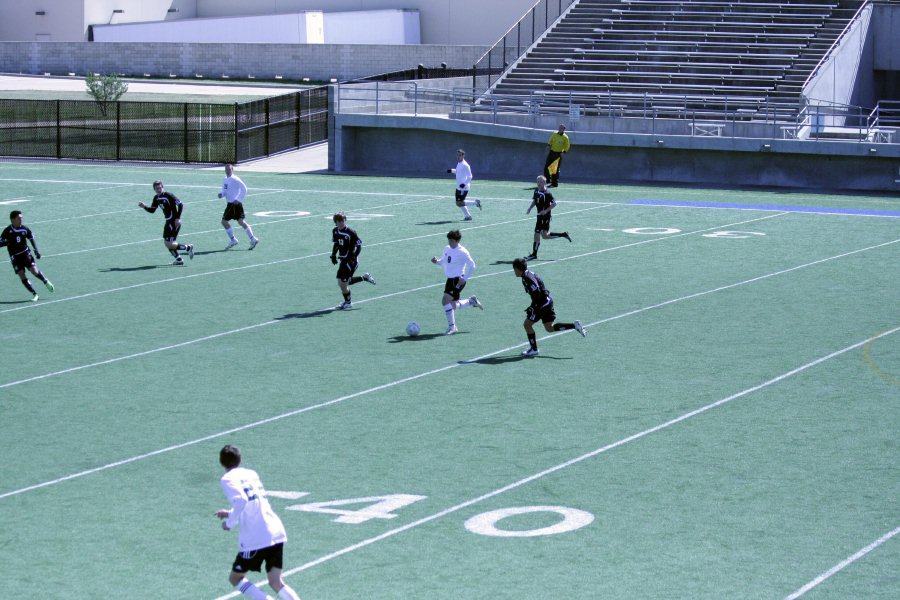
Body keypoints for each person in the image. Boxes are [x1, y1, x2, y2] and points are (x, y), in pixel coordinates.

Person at [215, 444, 302, 600]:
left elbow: (241, 500)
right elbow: (253, 503)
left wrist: (229, 523)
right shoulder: (251, 473)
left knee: (235, 578)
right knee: (276, 582)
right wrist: (230, 513)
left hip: (256, 538)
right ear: (239, 459)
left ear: (221, 462)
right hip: (275, 531)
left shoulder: (227, 479)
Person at [512, 257, 585, 356]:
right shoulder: (527, 274)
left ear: (517, 269)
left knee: (527, 324)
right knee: (549, 328)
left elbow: (537, 291)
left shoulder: (527, 277)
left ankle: (534, 349)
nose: (514, 271)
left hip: (542, 304)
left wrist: (533, 307)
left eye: (514, 269)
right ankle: (575, 325)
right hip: (547, 301)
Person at [430, 229, 482, 335]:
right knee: (451, 305)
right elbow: (443, 261)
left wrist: (465, 278)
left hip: (458, 280)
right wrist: (436, 261)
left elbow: (472, 265)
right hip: (450, 280)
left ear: (456, 241)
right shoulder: (447, 248)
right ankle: (470, 301)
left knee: (445, 301)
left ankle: (452, 327)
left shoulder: (463, 252)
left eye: (451, 241)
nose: (449, 243)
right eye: (449, 240)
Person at [0, 210, 54, 301]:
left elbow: (31, 237)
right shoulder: (7, 231)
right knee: (22, 275)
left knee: (34, 271)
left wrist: (36, 251)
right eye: (18, 218)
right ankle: (35, 294)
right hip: (15, 257)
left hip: (25, 254)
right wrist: (7, 242)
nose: (21, 220)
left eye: (21, 218)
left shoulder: (24, 229)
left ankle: (45, 281)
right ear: (12, 219)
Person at [137, 180, 194, 266]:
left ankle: (187, 247)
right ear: (154, 189)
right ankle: (179, 259)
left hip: (174, 221)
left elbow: (181, 204)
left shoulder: (169, 195)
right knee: (167, 243)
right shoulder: (156, 198)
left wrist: (178, 218)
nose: (159, 189)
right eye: (157, 188)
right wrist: (144, 206)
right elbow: (152, 210)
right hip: (168, 221)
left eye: (160, 187)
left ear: (163, 187)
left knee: (170, 243)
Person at [330, 212, 375, 309]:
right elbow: (336, 243)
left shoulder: (351, 232)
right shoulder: (335, 231)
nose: (341, 223)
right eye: (339, 221)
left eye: (343, 220)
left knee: (343, 283)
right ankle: (365, 277)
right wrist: (333, 255)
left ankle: (348, 302)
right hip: (343, 260)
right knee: (341, 283)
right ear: (335, 222)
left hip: (351, 261)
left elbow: (359, 245)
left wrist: (353, 256)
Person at [524, 175, 571, 260]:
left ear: (545, 183)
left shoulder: (547, 193)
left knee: (537, 233)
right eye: (538, 181)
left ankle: (534, 254)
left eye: (541, 182)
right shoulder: (536, 191)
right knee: (545, 236)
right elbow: (535, 200)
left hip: (545, 217)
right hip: (539, 216)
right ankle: (563, 234)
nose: (539, 183)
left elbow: (554, 203)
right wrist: (530, 208)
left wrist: (545, 211)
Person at [219, 164, 259, 251]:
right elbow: (224, 191)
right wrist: (221, 194)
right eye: (226, 169)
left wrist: (238, 199)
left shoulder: (235, 179)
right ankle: (253, 238)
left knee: (224, 221)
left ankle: (233, 240)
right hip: (231, 204)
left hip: (234, 204)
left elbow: (244, 189)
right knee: (241, 222)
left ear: (232, 169)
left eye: (229, 169)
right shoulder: (225, 179)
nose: (227, 171)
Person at [446, 149, 481, 221]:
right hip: (459, 187)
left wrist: (464, 184)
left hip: (464, 188)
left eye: (459, 155)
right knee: (459, 203)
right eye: (457, 155)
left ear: (463, 156)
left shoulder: (466, 165)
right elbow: (458, 172)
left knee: (459, 203)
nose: (458, 157)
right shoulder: (459, 163)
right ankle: (468, 216)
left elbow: (470, 176)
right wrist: (452, 170)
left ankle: (475, 203)